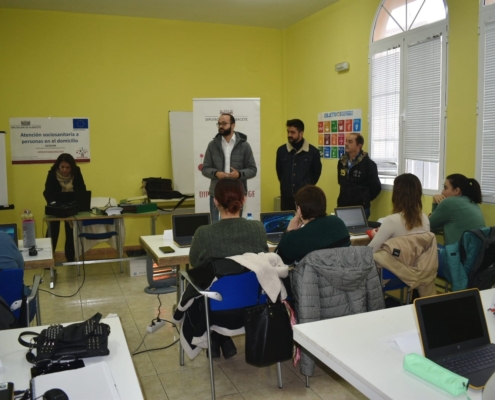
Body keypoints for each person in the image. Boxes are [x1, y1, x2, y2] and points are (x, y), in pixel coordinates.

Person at [184, 178, 268, 359]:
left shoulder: (203, 234)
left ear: (215, 201)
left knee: (203, 287)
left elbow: (195, 265)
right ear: (244, 199)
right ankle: (221, 340)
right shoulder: (258, 229)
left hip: (216, 312)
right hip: (254, 309)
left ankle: (216, 338)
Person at [201, 113, 257, 223]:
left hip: (236, 192)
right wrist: (216, 173)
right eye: (219, 124)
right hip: (217, 192)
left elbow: (252, 169)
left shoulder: (244, 145)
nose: (221, 126)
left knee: (235, 225)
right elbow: (205, 168)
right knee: (215, 225)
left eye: (224, 123)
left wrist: (239, 174)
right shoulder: (212, 145)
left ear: (233, 125)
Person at [276, 185, 350, 265]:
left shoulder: (296, 238)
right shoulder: (338, 223)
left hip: (310, 277)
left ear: (299, 210)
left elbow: (278, 261)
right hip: (342, 276)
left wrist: (288, 232)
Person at [368, 173, 429, 253]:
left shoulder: (391, 220)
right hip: (418, 264)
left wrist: (376, 237)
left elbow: (370, 251)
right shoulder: (424, 218)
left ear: (396, 195)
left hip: (394, 264)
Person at [43, 153, 86, 262]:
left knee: (71, 231)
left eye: (67, 167)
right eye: (62, 167)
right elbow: (47, 191)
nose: (64, 170)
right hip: (56, 207)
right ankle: (47, 258)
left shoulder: (77, 172)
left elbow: (82, 190)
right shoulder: (52, 174)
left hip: (72, 207)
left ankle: (70, 258)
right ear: (58, 166)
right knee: (53, 231)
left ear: (72, 167)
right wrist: (53, 203)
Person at [276, 119, 322, 211]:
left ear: (301, 133)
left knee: (305, 224)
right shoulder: (282, 151)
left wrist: (306, 188)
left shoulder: (313, 152)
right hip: (287, 198)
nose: (289, 135)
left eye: (293, 132)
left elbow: (316, 174)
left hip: (306, 199)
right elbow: (280, 173)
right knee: (288, 224)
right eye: (288, 132)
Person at [429, 174, 485, 245]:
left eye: (445, 188)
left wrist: (434, 201)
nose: (442, 192)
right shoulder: (473, 203)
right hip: (476, 252)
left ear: (456, 190)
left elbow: (430, 225)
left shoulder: (449, 202)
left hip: (458, 254)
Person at [337, 133, 381, 219]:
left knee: (358, 232)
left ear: (359, 145)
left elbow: (376, 187)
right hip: (343, 205)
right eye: (346, 141)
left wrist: (364, 198)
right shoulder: (342, 162)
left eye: (350, 142)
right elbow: (340, 181)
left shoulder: (369, 164)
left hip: (361, 208)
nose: (346, 144)